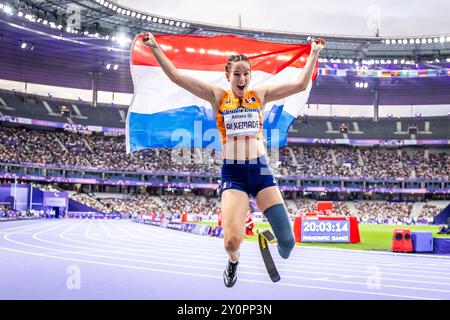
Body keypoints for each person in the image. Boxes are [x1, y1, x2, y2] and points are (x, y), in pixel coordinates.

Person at [141, 32, 326, 287]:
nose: (242, 78)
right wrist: (155, 48)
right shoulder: (218, 96)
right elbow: (176, 77)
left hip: (261, 171)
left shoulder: (259, 95)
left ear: (250, 75)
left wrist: (314, 53)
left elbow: (300, 85)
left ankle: (268, 237)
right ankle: (234, 262)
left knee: (288, 242)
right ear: (228, 76)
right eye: (237, 74)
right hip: (234, 174)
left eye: (246, 73)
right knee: (231, 242)